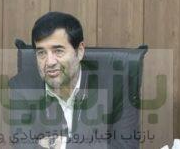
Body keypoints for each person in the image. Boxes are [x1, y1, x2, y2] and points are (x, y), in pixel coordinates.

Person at [8, 12, 140, 148]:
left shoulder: (115, 86)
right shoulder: (21, 87)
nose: (50, 62)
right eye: (41, 53)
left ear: (80, 51)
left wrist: (61, 144)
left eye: (58, 51)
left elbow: (127, 145)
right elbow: (22, 145)